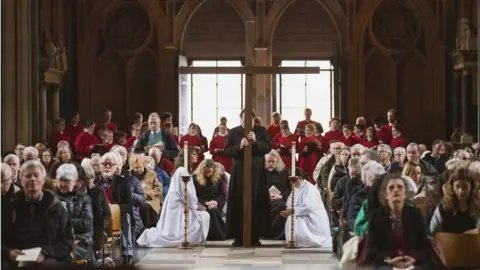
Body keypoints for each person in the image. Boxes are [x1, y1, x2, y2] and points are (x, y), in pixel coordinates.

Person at [136, 147, 210, 247]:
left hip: (179, 205)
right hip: (178, 209)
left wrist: (195, 204)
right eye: (194, 154)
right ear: (187, 156)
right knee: (203, 217)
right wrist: (196, 206)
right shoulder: (182, 171)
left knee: (203, 216)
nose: (196, 156)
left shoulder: (183, 170)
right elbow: (186, 193)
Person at [223, 109, 272, 246]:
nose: (246, 122)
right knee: (238, 201)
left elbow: (268, 147)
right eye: (244, 119)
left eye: (249, 120)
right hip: (239, 171)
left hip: (256, 172)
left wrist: (256, 142)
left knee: (256, 201)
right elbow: (226, 150)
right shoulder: (233, 132)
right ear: (240, 119)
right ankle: (238, 237)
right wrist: (239, 146)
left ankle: (255, 237)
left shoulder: (261, 131)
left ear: (253, 119)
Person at [281, 168, 332, 247]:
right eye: (290, 180)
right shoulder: (296, 188)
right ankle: (293, 239)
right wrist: (288, 211)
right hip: (301, 213)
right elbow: (289, 203)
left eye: (294, 179)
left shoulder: (310, 188)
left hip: (312, 218)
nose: (291, 182)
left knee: (296, 219)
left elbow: (308, 208)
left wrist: (293, 211)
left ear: (300, 178)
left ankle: (300, 240)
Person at [193, 159, 226, 241]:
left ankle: (216, 235)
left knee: (213, 210)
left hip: (215, 203)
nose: (208, 174)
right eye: (206, 172)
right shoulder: (195, 179)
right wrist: (205, 202)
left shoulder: (218, 179)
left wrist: (215, 202)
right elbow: (193, 195)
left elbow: (222, 194)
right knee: (211, 210)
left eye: (210, 172)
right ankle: (215, 235)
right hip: (200, 204)